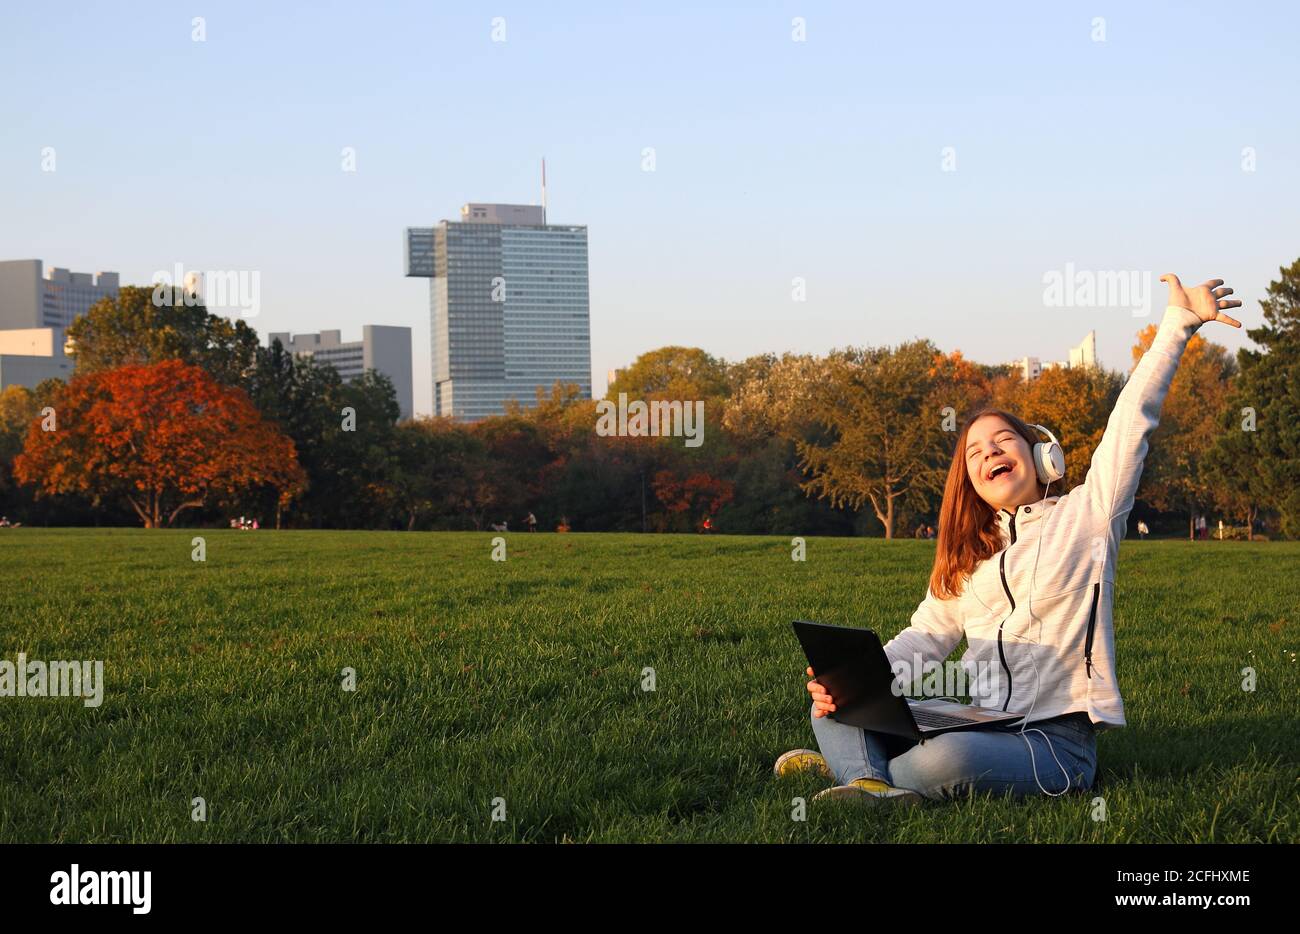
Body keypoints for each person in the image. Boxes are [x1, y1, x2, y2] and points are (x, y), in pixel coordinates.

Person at [773, 275, 1242, 805]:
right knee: (834, 706)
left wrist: (1176, 327)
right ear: (970, 480)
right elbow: (925, 638)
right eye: (975, 452)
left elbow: (1130, 424)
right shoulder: (970, 553)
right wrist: (853, 678)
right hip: (983, 719)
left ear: (1044, 458)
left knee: (946, 761)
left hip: (1052, 743)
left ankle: (863, 771)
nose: (990, 452)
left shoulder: (1087, 517)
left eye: (1003, 440)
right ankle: (869, 778)